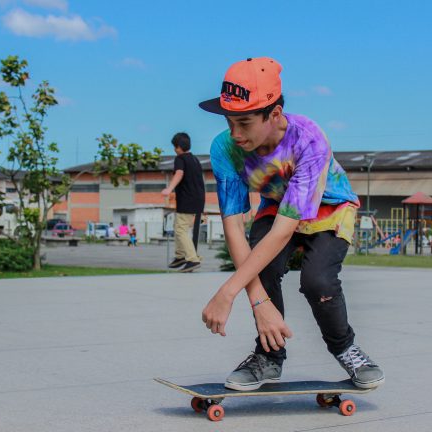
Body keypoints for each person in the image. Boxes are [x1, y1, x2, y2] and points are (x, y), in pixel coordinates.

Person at [199, 57, 384, 391]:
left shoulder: (308, 139)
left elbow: (286, 229)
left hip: (328, 209)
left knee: (318, 283)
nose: (235, 135)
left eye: (244, 123)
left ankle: (346, 348)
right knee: (263, 270)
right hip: (277, 204)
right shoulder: (224, 148)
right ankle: (269, 358)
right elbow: (233, 226)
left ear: (274, 114)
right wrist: (259, 302)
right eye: (229, 123)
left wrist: (228, 291)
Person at [161, 132, 205, 272]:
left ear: (178, 147)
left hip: (187, 200)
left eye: (175, 146)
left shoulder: (180, 159)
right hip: (198, 199)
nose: (174, 149)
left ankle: (192, 259)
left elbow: (179, 174)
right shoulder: (195, 160)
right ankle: (180, 256)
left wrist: (169, 189)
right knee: (179, 226)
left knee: (180, 230)